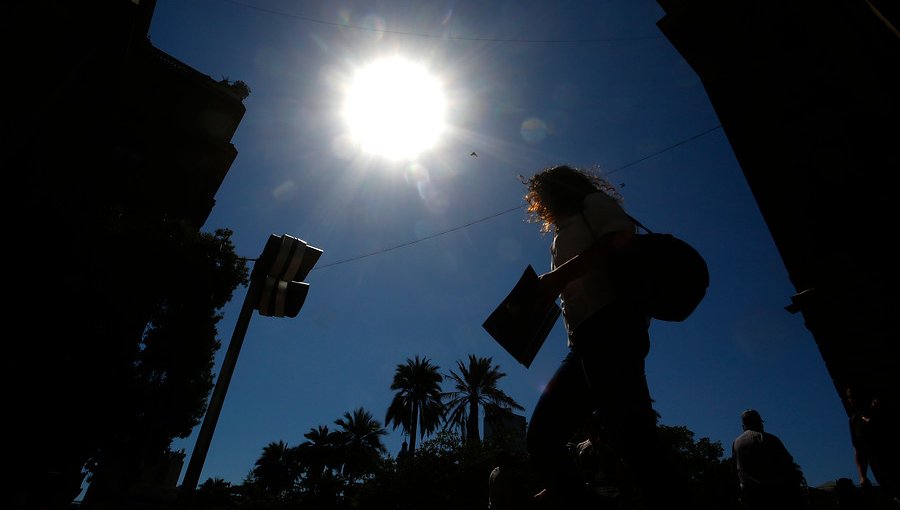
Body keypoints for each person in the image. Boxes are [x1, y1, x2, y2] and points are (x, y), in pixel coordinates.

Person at [522, 164, 682, 510]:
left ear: (558, 189)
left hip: (612, 326)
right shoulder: (562, 230)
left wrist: (557, 278)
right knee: (547, 436)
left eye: (542, 193)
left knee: (632, 436)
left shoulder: (592, 204)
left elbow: (620, 239)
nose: (539, 201)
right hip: (585, 340)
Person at [731, 409, 807, 510]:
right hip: (775, 496)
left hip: (749, 497)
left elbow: (735, 471)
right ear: (759, 423)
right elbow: (789, 467)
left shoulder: (736, 443)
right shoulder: (769, 439)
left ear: (743, 426)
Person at [846, 386, 900, 508]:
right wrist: (862, 476)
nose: (852, 400)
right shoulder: (854, 421)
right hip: (882, 473)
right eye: (849, 397)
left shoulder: (882, 413)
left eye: (854, 396)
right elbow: (859, 451)